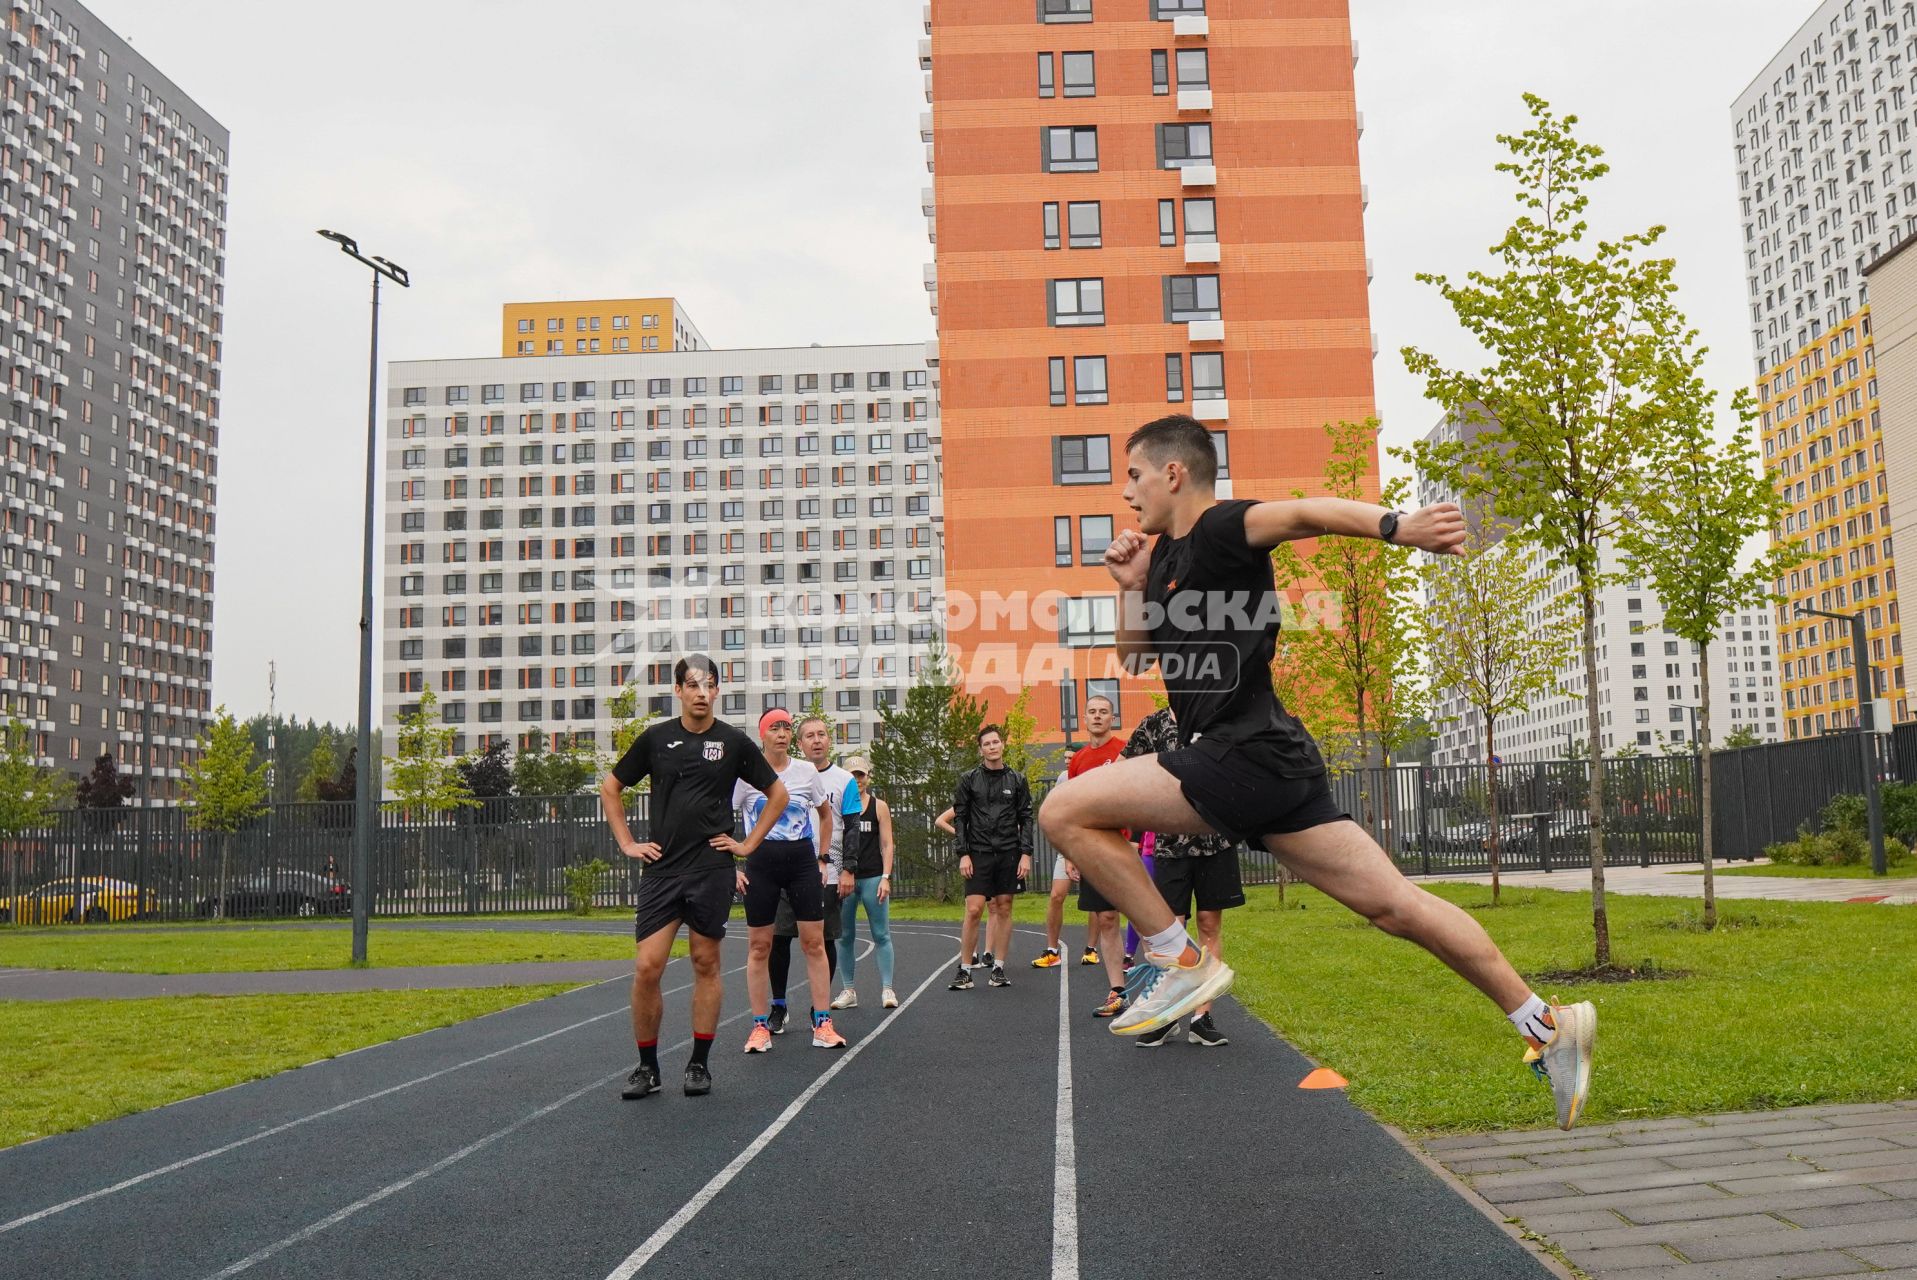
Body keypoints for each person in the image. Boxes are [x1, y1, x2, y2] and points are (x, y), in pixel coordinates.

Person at [1037, 415, 1596, 1130]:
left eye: (1134, 475)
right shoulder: (1169, 557)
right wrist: (1127, 583)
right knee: (1394, 906)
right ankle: (1546, 1024)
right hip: (1273, 763)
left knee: (1062, 812)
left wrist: (1400, 526)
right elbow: (1135, 659)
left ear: (1173, 473)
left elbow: (1305, 513)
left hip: (1238, 751)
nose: (1125, 493)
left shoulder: (1219, 526)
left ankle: (1179, 961)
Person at [601, 654, 786, 1100]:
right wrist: (628, 843)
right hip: (662, 870)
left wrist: (746, 844)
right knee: (648, 967)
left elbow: (777, 793)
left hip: (710, 870)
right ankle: (648, 1068)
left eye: (709, 685)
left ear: (718, 691)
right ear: (678, 691)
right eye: (692, 685)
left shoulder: (735, 743)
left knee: (706, 963)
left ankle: (699, 1064)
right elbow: (611, 787)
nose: (702, 693)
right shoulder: (656, 739)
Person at [1121, 704, 1242, 1047]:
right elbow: (1124, 768)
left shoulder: (1219, 716)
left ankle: (1202, 1017)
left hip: (1216, 838)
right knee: (1171, 933)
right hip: (1170, 844)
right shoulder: (1154, 722)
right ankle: (1168, 1015)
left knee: (1208, 924)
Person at [730, 708, 848, 1053]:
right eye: (774, 728)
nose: (781, 733)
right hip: (761, 863)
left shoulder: (806, 771)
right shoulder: (746, 776)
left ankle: (823, 1023)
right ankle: (758, 1026)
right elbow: (721, 817)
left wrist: (823, 858)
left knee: (814, 943)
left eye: (786, 727)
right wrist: (731, 864)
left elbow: (826, 815)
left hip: (801, 862)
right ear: (762, 734)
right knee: (759, 947)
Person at [756, 716, 859, 1027]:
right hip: (780, 868)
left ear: (829, 740)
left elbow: (852, 827)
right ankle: (778, 1005)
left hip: (825, 871)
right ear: (799, 743)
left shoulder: (845, 780)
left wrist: (847, 870)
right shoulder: (789, 774)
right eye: (809, 736)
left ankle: (820, 1008)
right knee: (779, 936)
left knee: (822, 941)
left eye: (822, 734)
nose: (816, 740)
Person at [1035, 695, 1117, 972]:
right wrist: (1069, 854)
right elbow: (1068, 811)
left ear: (1112, 718)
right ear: (1084, 718)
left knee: (1111, 914)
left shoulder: (1124, 752)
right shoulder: (1077, 762)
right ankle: (1052, 949)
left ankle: (1108, 958)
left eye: (1103, 712)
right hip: (1079, 846)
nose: (1097, 716)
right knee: (1060, 896)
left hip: (1115, 845)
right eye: (1092, 712)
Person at [949, 725, 1033, 991]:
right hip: (978, 853)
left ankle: (998, 967)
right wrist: (963, 853)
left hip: (1009, 853)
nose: (992, 747)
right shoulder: (968, 779)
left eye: (996, 742)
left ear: (1002, 745)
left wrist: (1026, 854)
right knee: (974, 909)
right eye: (987, 744)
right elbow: (960, 818)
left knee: (1004, 907)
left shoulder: (1018, 780)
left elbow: (1026, 818)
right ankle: (964, 970)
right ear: (981, 749)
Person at [833, 755, 898, 1009]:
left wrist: (886, 877)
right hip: (846, 879)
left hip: (872, 878)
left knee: (881, 934)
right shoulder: (838, 805)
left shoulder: (879, 806)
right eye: (852, 776)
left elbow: (887, 843)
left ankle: (887, 989)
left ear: (868, 777)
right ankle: (848, 990)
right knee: (845, 936)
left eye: (860, 775)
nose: (857, 780)